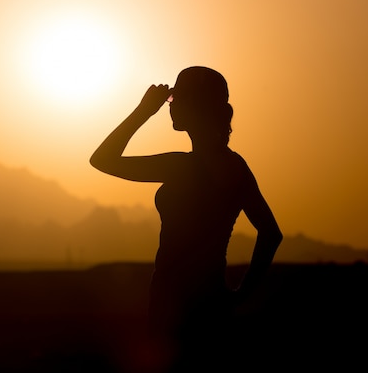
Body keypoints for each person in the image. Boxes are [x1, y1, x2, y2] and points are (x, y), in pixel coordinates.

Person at [90, 66, 283, 371]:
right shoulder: (235, 166)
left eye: (175, 100)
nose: (171, 107)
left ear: (196, 107)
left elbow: (102, 160)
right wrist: (239, 295)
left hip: (174, 305)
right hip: (212, 301)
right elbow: (271, 234)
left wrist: (143, 111)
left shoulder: (182, 167)